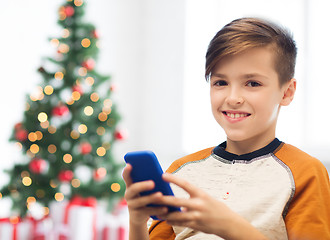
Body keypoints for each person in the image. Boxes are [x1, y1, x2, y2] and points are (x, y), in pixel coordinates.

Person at [122, 17, 330, 240]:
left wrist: (230, 227)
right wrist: (136, 220)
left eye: (252, 83)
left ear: (287, 92)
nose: (233, 98)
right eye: (220, 82)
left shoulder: (305, 173)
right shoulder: (181, 171)